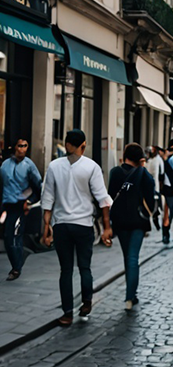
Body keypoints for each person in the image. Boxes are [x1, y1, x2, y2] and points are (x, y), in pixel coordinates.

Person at [41, 129, 113, 326]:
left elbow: (47, 200)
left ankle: (67, 313)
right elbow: (102, 200)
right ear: (84, 144)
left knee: (65, 270)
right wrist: (106, 227)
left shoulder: (54, 166)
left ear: (66, 144)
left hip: (62, 225)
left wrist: (46, 228)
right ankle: (86, 301)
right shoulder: (91, 167)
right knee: (84, 267)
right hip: (83, 225)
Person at [109, 143, 156, 311]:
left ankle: (131, 293)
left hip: (120, 221)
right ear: (140, 159)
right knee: (133, 257)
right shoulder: (144, 175)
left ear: (125, 156)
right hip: (138, 221)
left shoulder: (115, 173)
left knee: (126, 256)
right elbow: (151, 199)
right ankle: (130, 296)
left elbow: (109, 196)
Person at [0, 137, 42, 280]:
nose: (22, 149)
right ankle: (18, 261)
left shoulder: (29, 166)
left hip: (20, 206)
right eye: (20, 146)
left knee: (15, 236)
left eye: (25, 146)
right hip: (7, 206)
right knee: (7, 237)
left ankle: (16, 269)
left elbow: (38, 187)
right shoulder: (5, 165)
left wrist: (29, 201)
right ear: (15, 147)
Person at [145, 146, 164, 229]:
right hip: (152, 187)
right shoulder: (149, 161)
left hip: (155, 186)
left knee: (155, 206)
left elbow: (161, 173)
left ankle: (155, 219)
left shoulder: (157, 160)